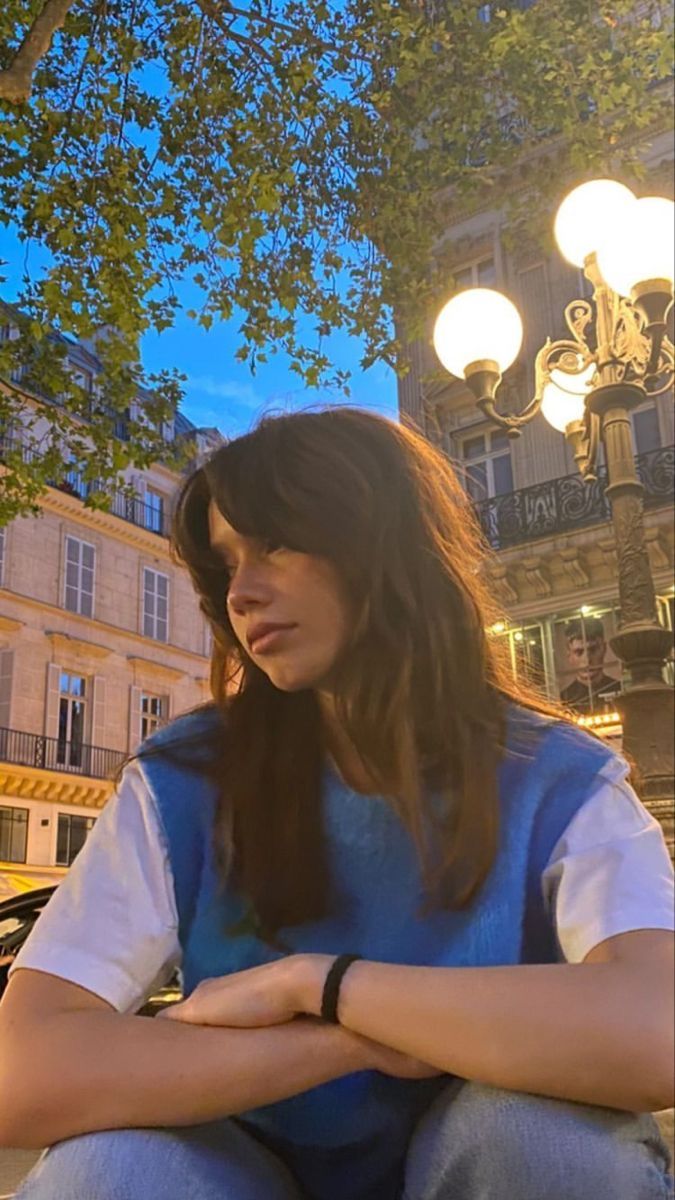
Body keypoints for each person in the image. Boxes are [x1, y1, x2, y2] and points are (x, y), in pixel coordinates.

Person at [0, 408, 673, 1200]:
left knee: (543, 1143)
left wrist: (315, 985)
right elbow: (22, 1070)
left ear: (382, 544)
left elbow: (656, 1025)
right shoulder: (186, 779)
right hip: (245, 1170)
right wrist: (349, 1042)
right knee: (109, 1174)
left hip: (483, 1162)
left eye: (275, 545)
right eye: (225, 565)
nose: (241, 594)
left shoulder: (555, 776)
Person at [559, 616, 623, 715]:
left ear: (604, 649)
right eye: (579, 652)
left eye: (593, 650)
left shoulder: (620, 689)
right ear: (569, 656)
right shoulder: (563, 699)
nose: (587, 660)